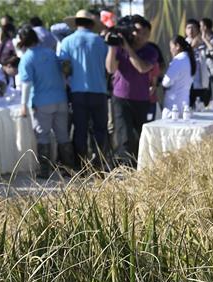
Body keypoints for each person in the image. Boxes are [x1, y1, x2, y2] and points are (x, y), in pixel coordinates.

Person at [15, 25, 72, 177]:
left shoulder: (27, 58)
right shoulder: (51, 53)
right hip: (60, 99)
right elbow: (63, 75)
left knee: (43, 136)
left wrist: (23, 105)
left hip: (42, 102)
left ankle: (44, 171)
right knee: (63, 136)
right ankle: (69, 169)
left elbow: (26, 84)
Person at [105, 15, 158, 164]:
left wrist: (127, 49)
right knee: (124, 136)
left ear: (148, 34)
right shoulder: (119, 47)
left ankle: (139, 165)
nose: (138, 35)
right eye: (135, 31)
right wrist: (112, 46)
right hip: (120, 98)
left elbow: (142, 68)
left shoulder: (151, 51)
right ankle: (125, 169)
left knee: (140, 135)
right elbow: (110, 69)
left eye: (143, 32)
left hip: (141, 99)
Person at [58, 10, 108, 165]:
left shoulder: (67, 41)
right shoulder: (100, 42)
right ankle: (98, 164)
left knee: (80, 129)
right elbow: (108, 67)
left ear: (76, 23)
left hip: (77, 91)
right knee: (100, 129)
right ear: (92, 24)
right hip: (99, 90)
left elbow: (64, 68)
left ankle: (81, 165)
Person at [162, 36, 194, 115]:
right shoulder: (188, 58)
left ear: (177, 46)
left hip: (173, 105)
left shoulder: (178, 60)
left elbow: (166, 82)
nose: (170, 50)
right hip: (184, 102)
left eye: (171, 47)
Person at [184, 19, 210, 107]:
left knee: (202, 108)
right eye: (188, 28)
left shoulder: (203, 43)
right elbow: (182, 57)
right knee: (188, 109)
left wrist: (204, 40)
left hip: (201, 83)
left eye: (193, 28)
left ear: (198, 30)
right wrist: (192, 47)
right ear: (185, 30)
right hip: (188, 85)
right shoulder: (182, 44)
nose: (191, 30)